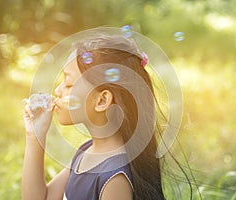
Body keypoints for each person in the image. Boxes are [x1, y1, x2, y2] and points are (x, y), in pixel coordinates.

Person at [22, 34, 166, 200]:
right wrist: (34, 136)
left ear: (102, 100)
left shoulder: (114, 177)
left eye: (68, 84)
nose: (58, 90)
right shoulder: (87, 151)